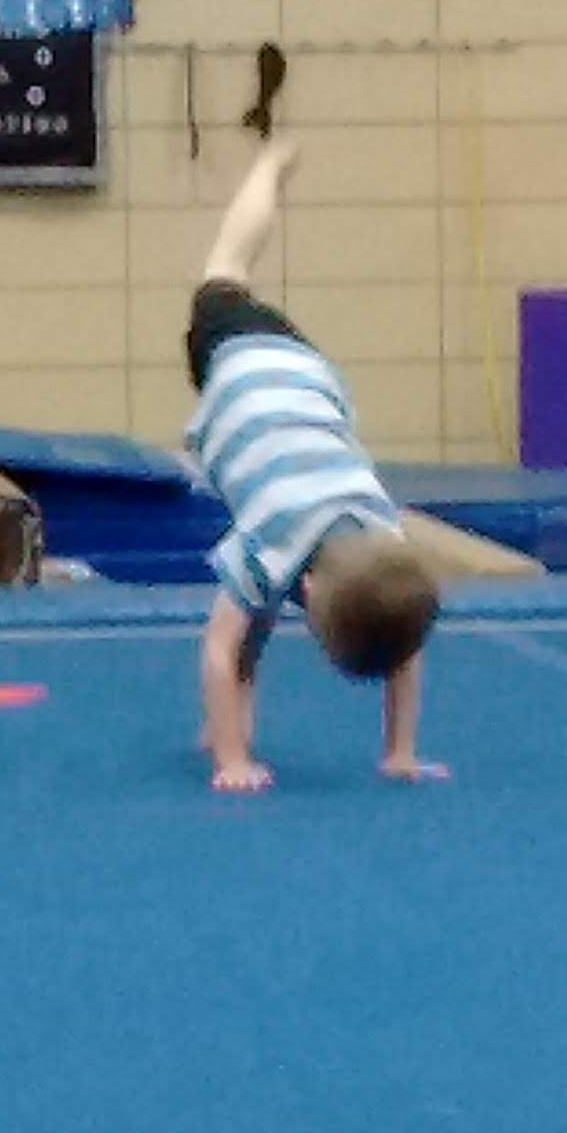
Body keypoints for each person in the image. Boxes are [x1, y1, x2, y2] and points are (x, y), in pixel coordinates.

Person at [184, 136, 439, 793]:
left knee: (256, 605)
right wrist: (231, 763)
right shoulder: (272, 534)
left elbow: (403, 647)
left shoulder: (385, 541)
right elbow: (217, 649)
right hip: (240, 357)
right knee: (226, 268)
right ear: (314, 593)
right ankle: (269, 165)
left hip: (307, 375)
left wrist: (401, 753)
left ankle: (231, 723)